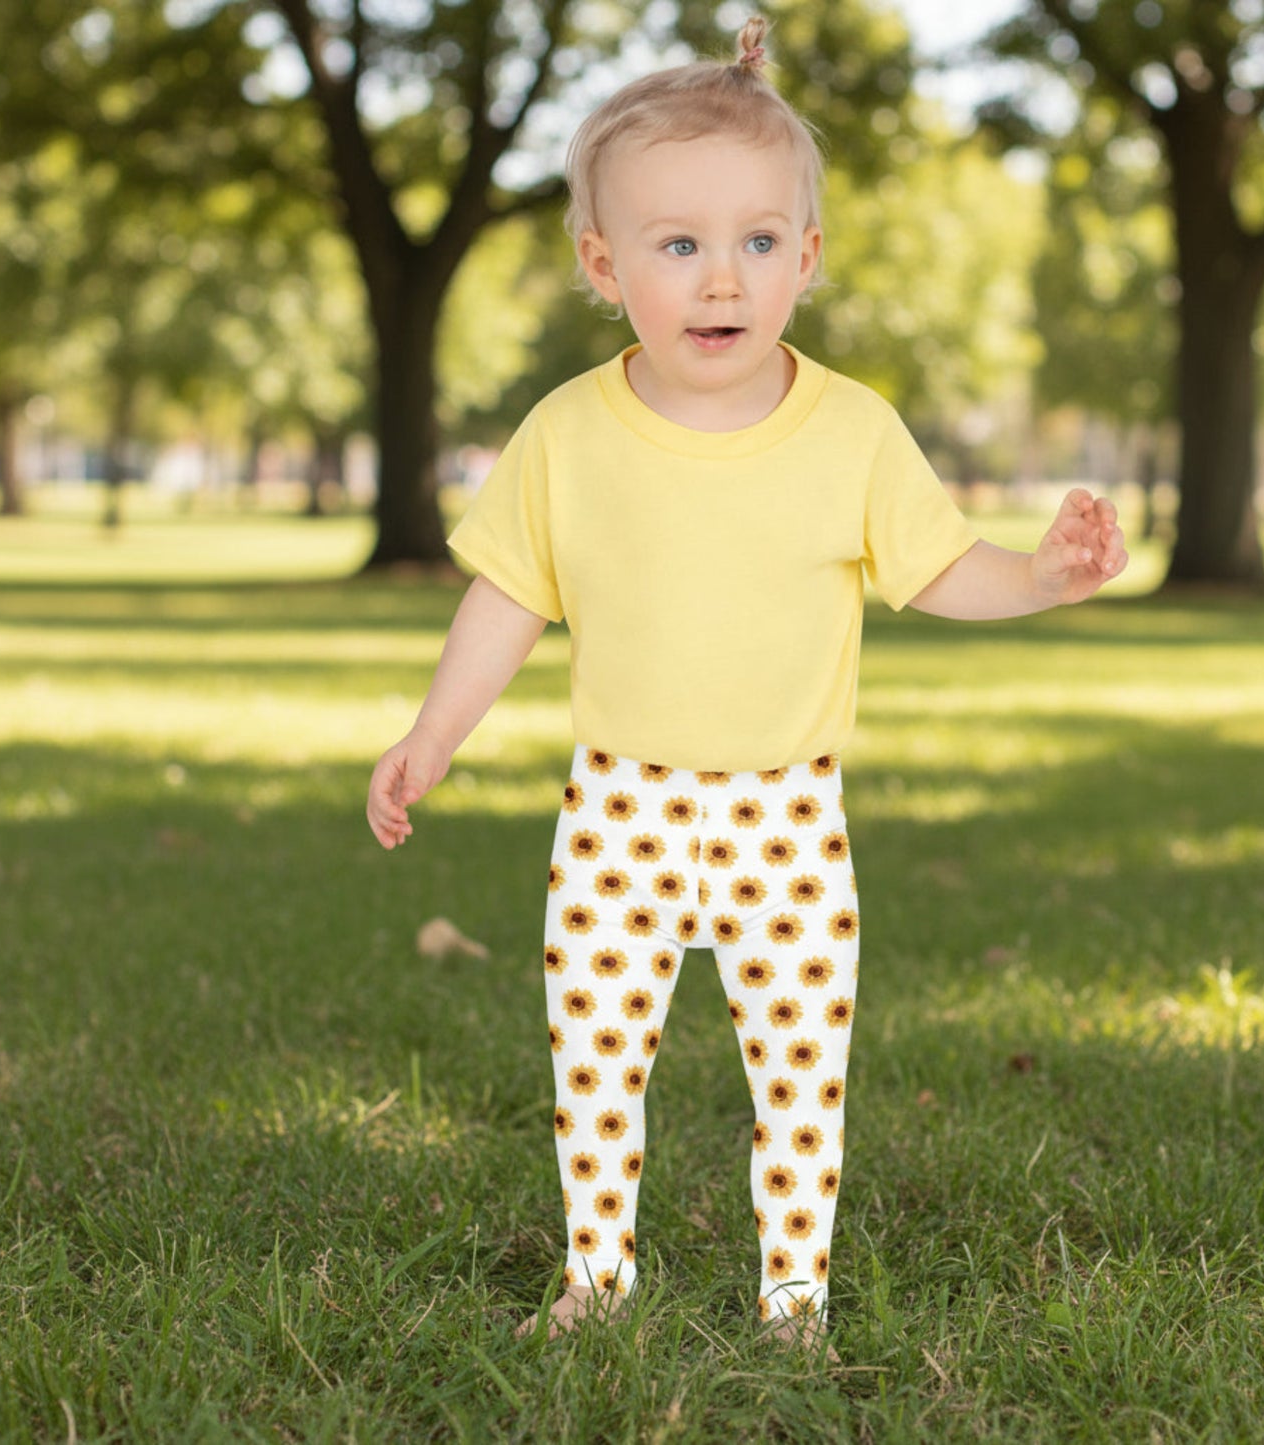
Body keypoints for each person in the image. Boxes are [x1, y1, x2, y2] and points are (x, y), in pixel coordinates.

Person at [366, 16, 1127, 1357]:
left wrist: (1044, 575)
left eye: (758, 241)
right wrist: (434, 733)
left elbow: (941, 567)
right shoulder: (566, 434)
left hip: (786, 813)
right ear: (604, 264)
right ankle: (596, 1269)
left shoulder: (849, 430)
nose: (721, 279)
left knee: (797, 1069)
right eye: (678, 245)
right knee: (595, 1052)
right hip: (621, 808)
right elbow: (507, 593)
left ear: (807, 257)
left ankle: (793, 1300)